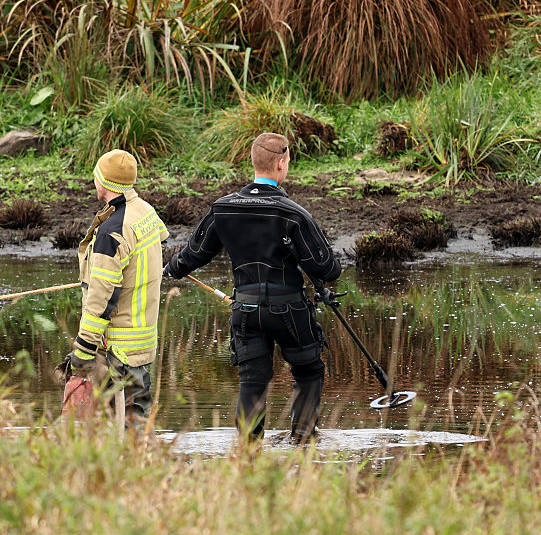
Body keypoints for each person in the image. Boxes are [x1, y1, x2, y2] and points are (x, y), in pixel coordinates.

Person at [162, 132, 341, 443]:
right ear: (282, 163)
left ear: (254, 162)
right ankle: (302, 442)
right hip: (290, 311)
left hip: (245, 311)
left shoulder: (222, 208)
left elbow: (193, 255)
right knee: (309, 370)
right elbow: (326, 267)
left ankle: (247, 452)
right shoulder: (295, 214)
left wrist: (170, 270)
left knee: (252, 381)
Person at [66, 149, 168, 425]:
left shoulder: (112, 231)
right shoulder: (144, 211)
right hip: (142, 341)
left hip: (118, 350)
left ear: (103, 182)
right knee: (137, 418)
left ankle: (131, 466)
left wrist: (84, 349)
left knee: (123, 425)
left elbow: (102, 298)